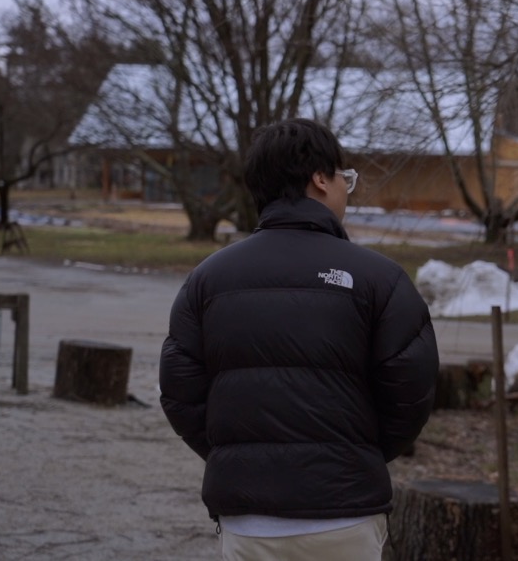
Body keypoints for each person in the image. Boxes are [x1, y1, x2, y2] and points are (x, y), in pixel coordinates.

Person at [159, 118, 439, 560]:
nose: (347, 189)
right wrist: (357, 455)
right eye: (345, 178)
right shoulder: (380, 279)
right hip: (345, 514)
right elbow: (412, 393)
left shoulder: (207, 280)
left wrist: (235, 456)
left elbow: (180, 392)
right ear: (320, 179)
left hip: (247, 517)